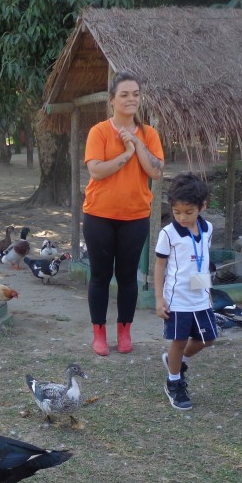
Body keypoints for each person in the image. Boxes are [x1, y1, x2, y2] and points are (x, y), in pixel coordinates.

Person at [82, 71, 164, 356]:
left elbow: (156, 170)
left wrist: (137, 142)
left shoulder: (149, 134)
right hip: (99, 216)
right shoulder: (99, 132)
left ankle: (125, 332)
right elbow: (96, 171)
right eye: (125, 94)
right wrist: (127, 154)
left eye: (136, 94)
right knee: (100, 276)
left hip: (135, 217)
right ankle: (99, 334)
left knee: (128, 277)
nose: (131, 99)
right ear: (112, 99)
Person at [154, 173, 217, 410]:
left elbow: (203, 261)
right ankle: (174, 383)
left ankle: (177, 362)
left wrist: (208, 293)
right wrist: (159, 298)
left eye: (188, 212)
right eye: (176, 211)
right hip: (177, 300)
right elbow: (160, 266)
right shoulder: (168, 234)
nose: (182, 217)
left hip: (200, 298)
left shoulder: (208, 229)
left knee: (208, 339)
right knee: (179, 340)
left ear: (202, 207)